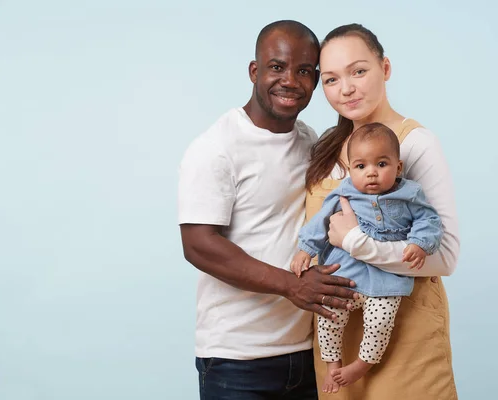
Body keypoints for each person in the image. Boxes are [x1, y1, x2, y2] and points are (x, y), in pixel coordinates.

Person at [178, 20, 358, 400]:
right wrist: (293, 285)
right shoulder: (216, 147)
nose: (290, 80)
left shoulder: (310, 141)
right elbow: (198, 245)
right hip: (237, 359)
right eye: (277, 67)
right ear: (254, 71)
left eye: (304, 71)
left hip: (309, 353)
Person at [305, 24, 460, 399]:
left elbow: (445, 256)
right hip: (337, 339)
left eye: (359, 71)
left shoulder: (414, 142)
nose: (346, 88)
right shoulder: (327, 149)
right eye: (330, 79)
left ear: (385, 68)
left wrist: (355, 242)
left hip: (403, 336)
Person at [291, 122, 443, 393]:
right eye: (361, 166)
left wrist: (420, 244)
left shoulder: (409, 194)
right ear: (350, 169)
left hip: (386, 281)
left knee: (380, 323)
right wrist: (306, 249)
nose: (371, 173)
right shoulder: (344, 192)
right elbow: (320, 222)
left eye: (381, 164)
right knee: (328, 318)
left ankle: (362, 364)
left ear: (398, 167)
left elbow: (429, 219)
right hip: (345, 275)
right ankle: (333, 366)